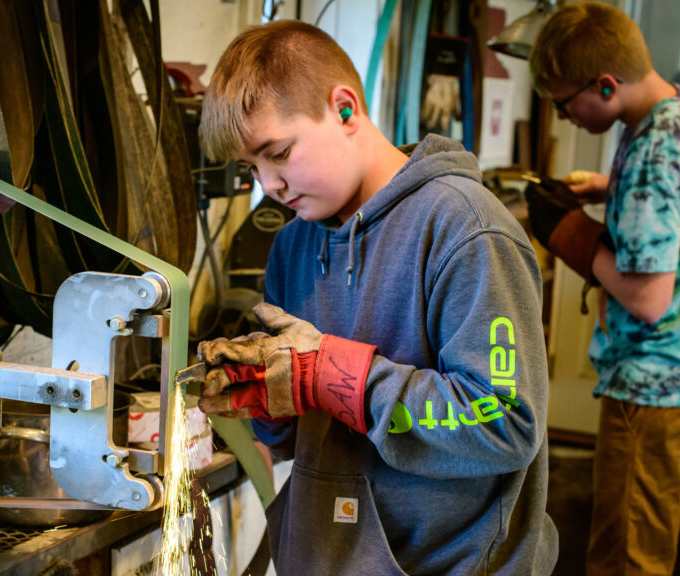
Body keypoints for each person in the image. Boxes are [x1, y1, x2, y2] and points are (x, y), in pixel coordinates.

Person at [197, 19, 558, 575]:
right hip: (329, 556)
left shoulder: (466, 229)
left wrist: (337, 377)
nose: (269, 185)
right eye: (252, 168)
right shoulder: (292, 246)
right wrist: (269, 401)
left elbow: (504, 426)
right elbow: (297, 437)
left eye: (280, 152)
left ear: (344, 109)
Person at [527, 3, 680, 575]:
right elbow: (675, 195)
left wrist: (568, 233)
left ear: (605, 85)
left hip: (652, 388)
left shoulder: (651, 150)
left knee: (627, 559)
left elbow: (648, 299)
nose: (562, 114)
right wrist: (605, 188)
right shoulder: (676, 114)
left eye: (563, 101)